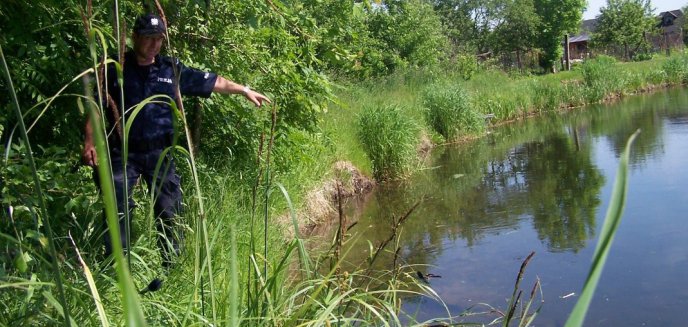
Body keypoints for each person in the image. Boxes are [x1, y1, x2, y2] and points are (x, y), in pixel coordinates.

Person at [82, 13, 270, 268]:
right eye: (149, 39)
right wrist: (90, 141)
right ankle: (116, 267)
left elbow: (212, 81)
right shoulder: (116, 68)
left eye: (159, 39)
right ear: (135, 37)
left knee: (169, 210)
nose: (154, 45)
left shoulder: (170, 70)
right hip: (123, 152)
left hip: (160, 153)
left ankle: (170, 266)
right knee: (117, 208)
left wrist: (243, 90)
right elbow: (96, 104)